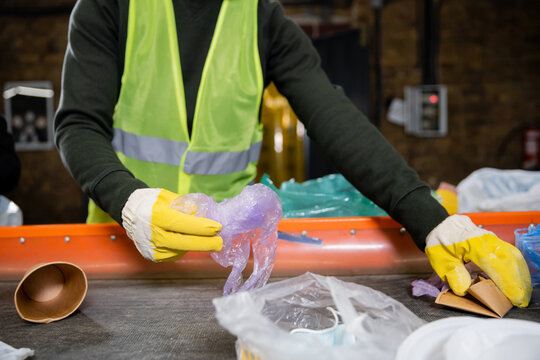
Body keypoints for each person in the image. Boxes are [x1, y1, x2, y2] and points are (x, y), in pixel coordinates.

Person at [54, 0, 531, 306]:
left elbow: (335, 119)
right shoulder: (106, 8)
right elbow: (78, 123)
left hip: (222, 257)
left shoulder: (262, 19)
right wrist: (129, 201)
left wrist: (432, 219)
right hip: (120, 247)